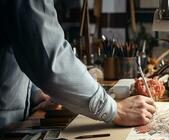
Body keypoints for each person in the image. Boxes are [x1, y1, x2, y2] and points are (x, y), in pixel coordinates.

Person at [0, 0, 156, 129]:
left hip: (13, 123)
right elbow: (51, 62)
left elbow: (24, 50)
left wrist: (36, 95)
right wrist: (116, 110)